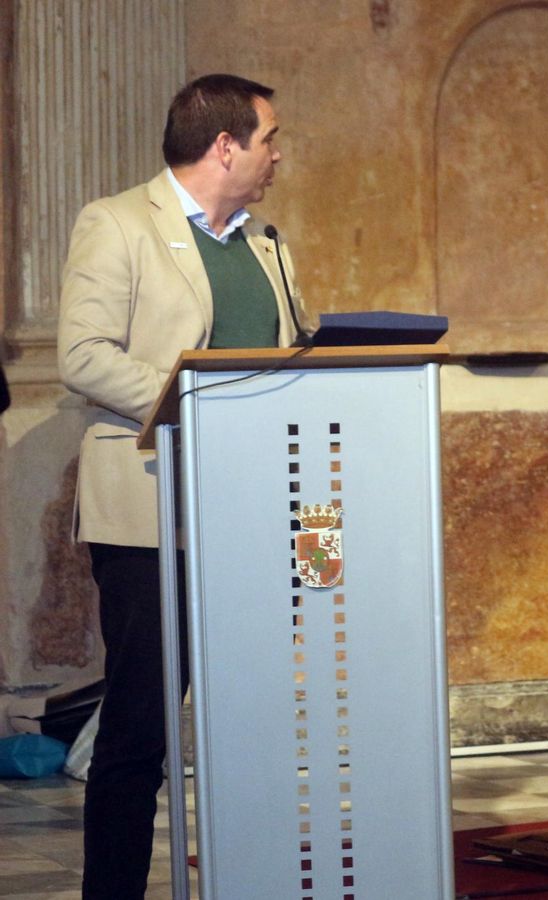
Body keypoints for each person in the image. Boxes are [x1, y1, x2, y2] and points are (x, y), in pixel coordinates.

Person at [56, 73, 303, 898]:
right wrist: (192, 398)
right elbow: (84, 355)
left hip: (251, 512)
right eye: (270, 139)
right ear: (225, 145)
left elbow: (290, 357)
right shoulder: (118, 223)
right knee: (140, 728)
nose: (278, 156)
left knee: (253, 719)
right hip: (150, 514)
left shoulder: (264, 243)